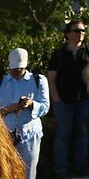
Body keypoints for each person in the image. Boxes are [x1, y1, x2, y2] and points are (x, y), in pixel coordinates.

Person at [46, 20, 89, 179]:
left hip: (84, 100)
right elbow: (51, 79)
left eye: (83, 30)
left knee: (81, 133)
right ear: (68, 34)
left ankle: (81, 167)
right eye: (76, 31)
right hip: (64, 102)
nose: (80, 33)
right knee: (63, 135)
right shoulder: (59, 54)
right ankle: (61, 170)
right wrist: (57, 100)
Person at [0, 48, 48, 179]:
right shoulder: (2, 82)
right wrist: (9, 109)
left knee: (28, 174)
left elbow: (45, 106)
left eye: (19, 69)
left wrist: (31, 104)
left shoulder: (38, 80)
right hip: (6, 137)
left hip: (30, 135)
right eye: (13, 69)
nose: (16, 72)